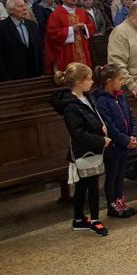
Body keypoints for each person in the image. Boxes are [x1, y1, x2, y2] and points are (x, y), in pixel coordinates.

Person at [49, 62, 110, 236]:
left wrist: (101, 126)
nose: (92, 82)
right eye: (89, 79)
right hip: (84, 150)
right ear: (78, 83)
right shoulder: (70, 105)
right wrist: (100, 140)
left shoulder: (86, 97)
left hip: (92, 147)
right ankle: (95, 219)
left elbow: (92, 117)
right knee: (90, 186)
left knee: (83, 186)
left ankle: (78, 219)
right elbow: (77, 133)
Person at [93, 64, 137, 219]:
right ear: (109, 81)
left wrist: (133, 135)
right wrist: (125, 140)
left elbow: (131, 116)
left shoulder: (121, 96)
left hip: (125, 143)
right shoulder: (101, 101)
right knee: (112, 175)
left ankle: (121, 202)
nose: (122, 82)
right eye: (119, 79)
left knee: (120, 174)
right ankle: (112, 205)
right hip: (113, 145)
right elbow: (109, 126)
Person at [0, 0, 42, 81]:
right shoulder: (0, 27)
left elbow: (39, 49)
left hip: (34, 73)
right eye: (20, 6)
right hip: (12, 75)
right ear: (10, 10)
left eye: (24, 5)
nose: (24, 8)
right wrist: (5, 77)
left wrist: (41, 71)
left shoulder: (32, 25)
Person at [44, 0, 95, 73]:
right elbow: (52, 33)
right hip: (66, 52)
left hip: (83, 50)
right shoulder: (55, 15)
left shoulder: (82, 12)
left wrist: (84, 27)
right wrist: (71, 29)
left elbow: (91, 26)